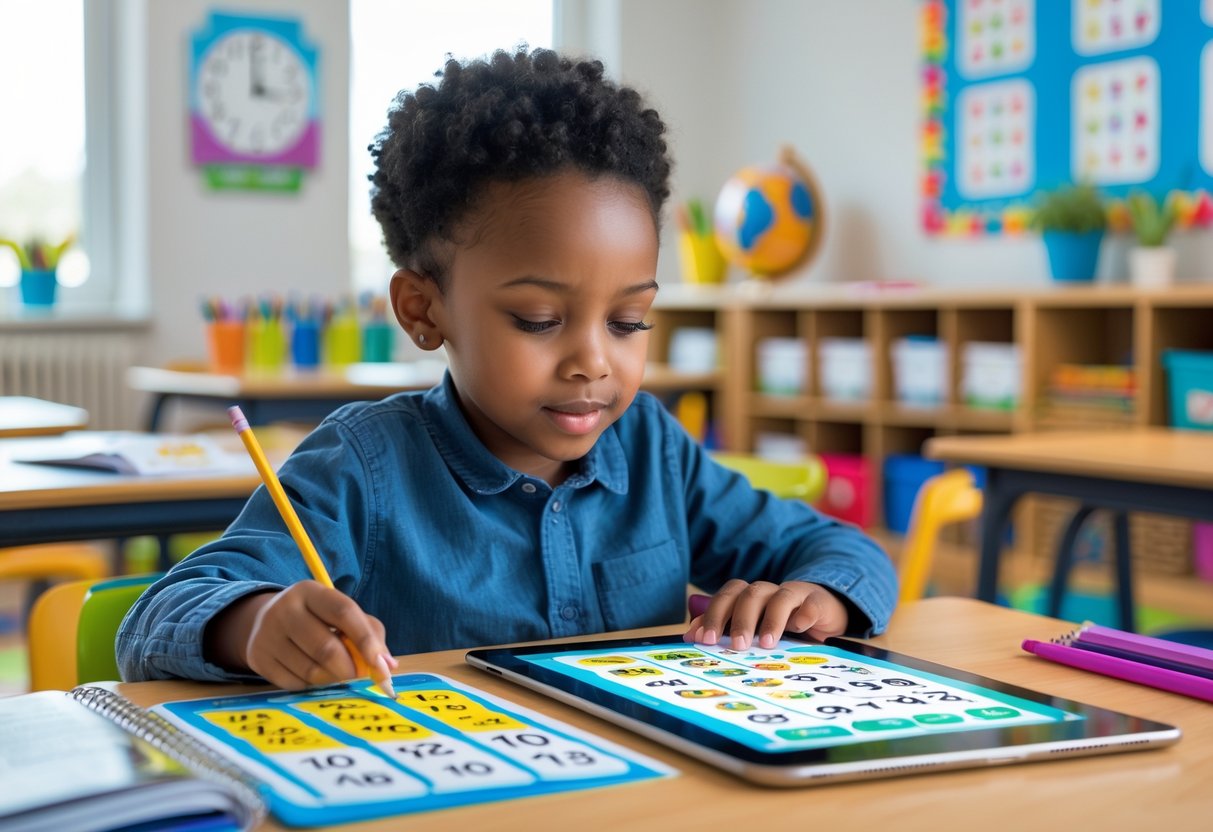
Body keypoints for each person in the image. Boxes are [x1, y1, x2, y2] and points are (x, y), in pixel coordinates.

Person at [118, 47, 897, 690]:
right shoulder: (364, 465)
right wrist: (252, 624)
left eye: (629, 321)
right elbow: (162, 612)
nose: (594, 359)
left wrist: (819, 596)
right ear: (424, 310)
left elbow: (847, 550)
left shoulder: (653, 451)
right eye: (538, 320)